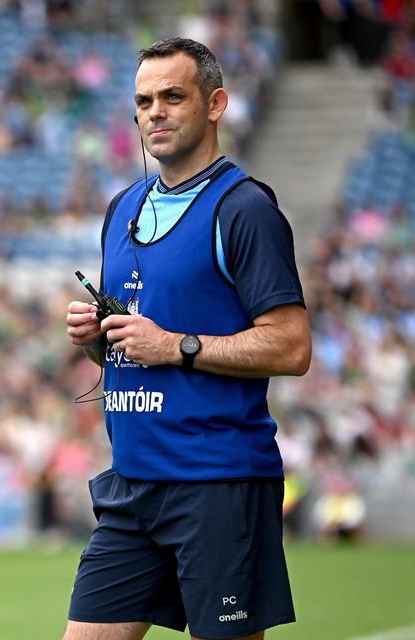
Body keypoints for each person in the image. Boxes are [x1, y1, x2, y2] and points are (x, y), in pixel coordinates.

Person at [63, 37, 311, 640]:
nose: (155, 112)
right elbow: (137, 339)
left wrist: (177, 345)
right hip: (132, 485)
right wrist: (98, 338)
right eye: (144, 100)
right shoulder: (121, 208)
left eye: (173, 96)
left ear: (216, 104)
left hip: (217, 483)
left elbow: (291, 346)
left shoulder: (245, 208)